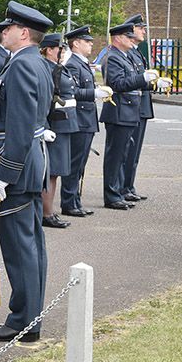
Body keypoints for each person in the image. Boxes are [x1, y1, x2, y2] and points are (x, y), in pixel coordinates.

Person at [0, 1, 54, 343]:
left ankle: (24, 320)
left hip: (17, 164)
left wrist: (5, 173)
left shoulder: (22, 66)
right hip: (28, 161)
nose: (3, 32)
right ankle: (30, 316)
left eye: (8, 28)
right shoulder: (34, 63)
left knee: (20, 246)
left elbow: (22, 125)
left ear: (24, 33)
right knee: (30, 244)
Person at [121, 15, 167, 202]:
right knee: (128, 151)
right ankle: (123, 187)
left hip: (142, 105)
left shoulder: (136, 51)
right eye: (141, 28)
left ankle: (128, 186)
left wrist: (156, 84)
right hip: (133, 106)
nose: (144, 31)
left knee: (134, 152)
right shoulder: (128, 53)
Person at [61, 26, 105, 218]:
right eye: (87, 41)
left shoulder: (83, 63)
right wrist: (93, 93)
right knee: (74, 163)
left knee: (80, 164)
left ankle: (75, 200)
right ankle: (69, 202)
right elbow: (73, 91)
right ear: (76, 43)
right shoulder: (72, 64)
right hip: (79, 118)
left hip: (86, 119)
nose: (91, 44)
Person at [39, 34, 75, 229]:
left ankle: (48, 211)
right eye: (60, 49)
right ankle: (47, 213)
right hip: (55, 123)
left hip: (64, 122)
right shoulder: (47, 68)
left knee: (56, 171)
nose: (63, 52)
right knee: (51, 172)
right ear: (50, 49)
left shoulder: (57, 67)